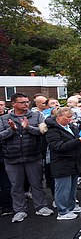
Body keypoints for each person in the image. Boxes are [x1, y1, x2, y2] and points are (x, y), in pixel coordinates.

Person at [0, 92, 53, 222]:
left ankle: (41, 207)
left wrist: (28, 127)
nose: (26, 105)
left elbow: (43, 132)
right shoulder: (3, 118)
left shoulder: (37, 115)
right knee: (16, 186)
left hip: (33, 156)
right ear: (13, 104)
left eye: (27, 102)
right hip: (12, 158)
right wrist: (11, 130)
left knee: (36, 183)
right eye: (22, 102)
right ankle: (19, 211)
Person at [45, 107, 81, 220]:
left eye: (71, 117)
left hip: (74, 162)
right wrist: (78, 141)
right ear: (59, 117)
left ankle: (71, 206)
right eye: (68, 117)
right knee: (63, 189)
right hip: (61, 163)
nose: (70, 119)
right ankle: (62, 212)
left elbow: (76, 140)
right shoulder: (52, 131)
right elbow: (58, 147)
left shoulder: (71, 127)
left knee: (72, 188)